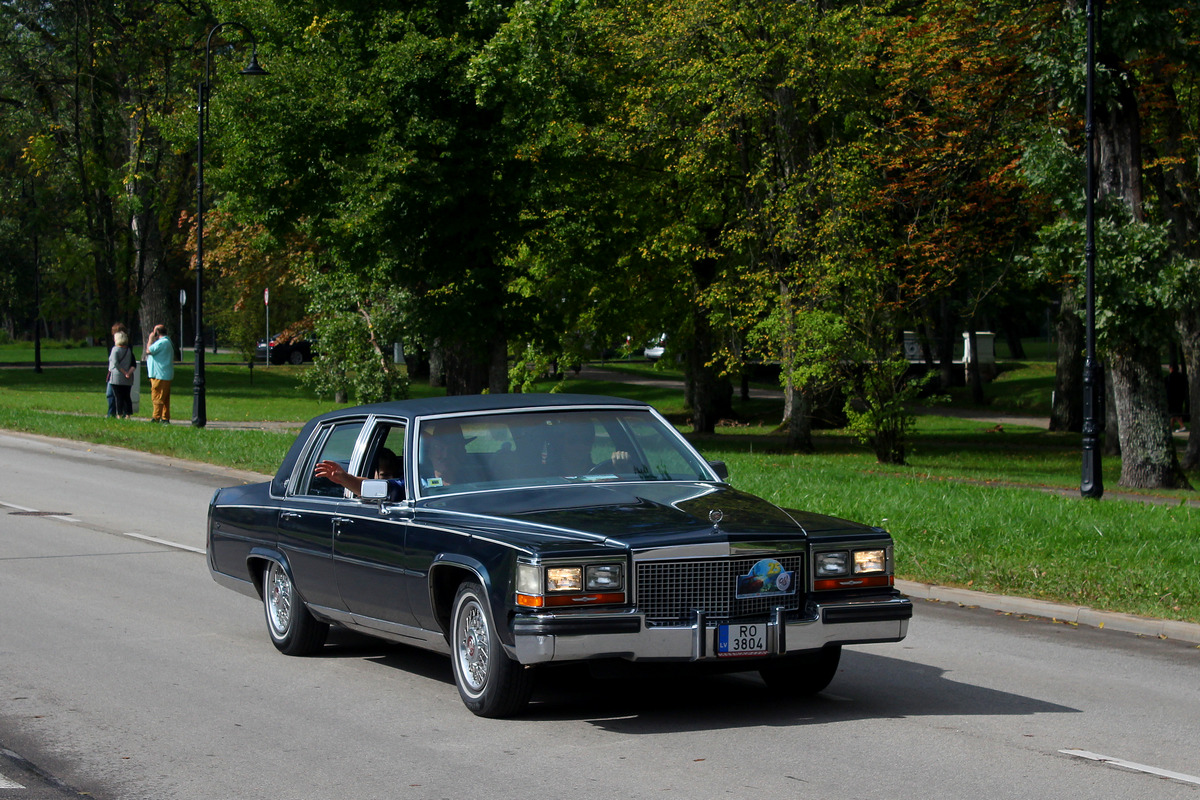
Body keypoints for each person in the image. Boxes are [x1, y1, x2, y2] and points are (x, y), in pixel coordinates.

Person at [314, 447, 405, 499]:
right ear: (372, 473)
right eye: (385, 475)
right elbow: (363, 486)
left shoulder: (406, 485)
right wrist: (344, 478)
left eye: (396, 474)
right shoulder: (370, 488)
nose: (392, 478)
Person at [144, 324, 175, 423]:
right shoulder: (166, 342)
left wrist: (150, 339)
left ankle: (156, 417)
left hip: (159, 375)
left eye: (154, 332)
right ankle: (165, 417)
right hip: (164, 374)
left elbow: (148, 350)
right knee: (164, 398)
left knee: (157, 396)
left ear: (157, 332)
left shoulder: (162, 342)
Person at [108, 331, 136, 418]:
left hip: (116, 376)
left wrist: (123, 372)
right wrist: (128, 373)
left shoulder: (115, 349)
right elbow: (133, 363)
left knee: (118, 397)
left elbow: (115, 363)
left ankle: (119, 414)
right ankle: (128, 414)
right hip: (128, 378)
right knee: (127, 397)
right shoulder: (128, 350)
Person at [106, 322, 127, 417]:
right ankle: (114, 413)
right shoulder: (116, 347)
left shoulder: (120, 348)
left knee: (113, 394)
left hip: (118, 374)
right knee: (112, 395)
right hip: (113, 372)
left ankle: (114, 413)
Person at [1166, 364, 1188, 432]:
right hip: (1180, 397)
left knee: (1174, 413)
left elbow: (1167, 387)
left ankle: (1182, 425)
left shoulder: (1169, 377)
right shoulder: (1182, 377)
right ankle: (1171, 427)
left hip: (1172, 397)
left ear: (1171, 368)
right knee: (1176, 412)